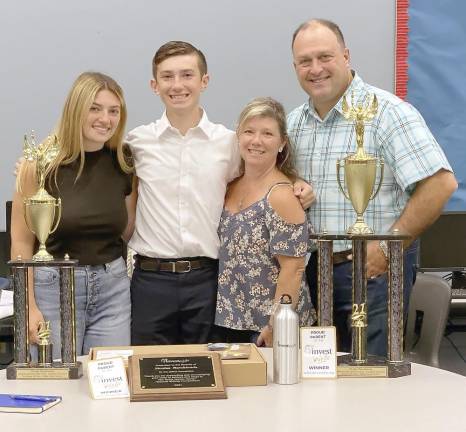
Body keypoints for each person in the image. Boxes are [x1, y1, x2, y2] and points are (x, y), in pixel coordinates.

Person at [287, 19, 458, 356]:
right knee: (321, 382)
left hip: (373, 276)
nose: (315, 69)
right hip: (313, 274)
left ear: (346, 56)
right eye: (305, 61)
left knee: (372, 383)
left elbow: (440, 183)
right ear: (295, 67)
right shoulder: (294, 123)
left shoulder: (388, 113)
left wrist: (389, 245)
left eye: (325, 57)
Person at [126, 41, 313, 346]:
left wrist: (299, 185)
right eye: (167, 76)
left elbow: (262, 172)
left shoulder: (228, 144)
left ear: (204, 81)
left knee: (207, 375)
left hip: (207, 281)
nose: (177, 85)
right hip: (151, 280)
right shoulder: (137, 143)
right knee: (149, 373)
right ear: (154, 85)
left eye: (187, 75)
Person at [11, 72, 136, 359]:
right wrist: (27, 307)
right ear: (75, 109)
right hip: (53, 289)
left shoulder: (124, 160)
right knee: (56, 383)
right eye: (95, 108)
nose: (105, 119)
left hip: (112, 289)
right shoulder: (39, 165)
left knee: (109, 382)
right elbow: (20, 243)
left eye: (113, 111)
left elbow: (127, 228)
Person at [214, 98, 315, 346]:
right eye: (249, 131)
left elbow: (294, 268)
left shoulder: (282, 195)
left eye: (267, 134)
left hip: (269, 328)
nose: (256, 141)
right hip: (230, 320)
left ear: (282, 143)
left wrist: (276, 324)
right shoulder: (228, 187)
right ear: (238, 136)